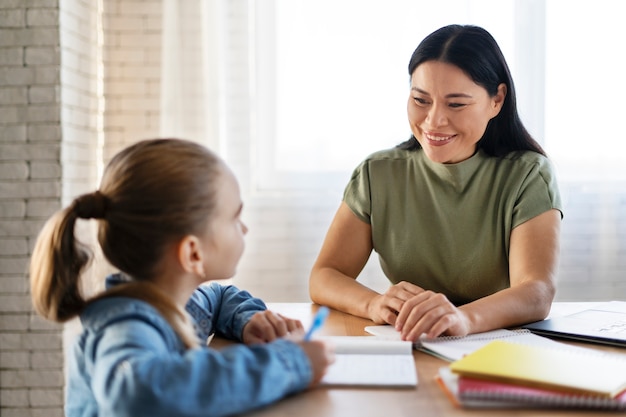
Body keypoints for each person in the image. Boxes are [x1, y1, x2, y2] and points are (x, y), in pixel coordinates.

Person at [30, 138, 334, 417]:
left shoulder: (175, 300)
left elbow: (218, 297)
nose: (244, 229)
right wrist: (289, 363)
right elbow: (138, 392)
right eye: (234, 219)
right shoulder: (126, 325)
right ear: (193, 254)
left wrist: (247, 319)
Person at [309, 24, 562, 342]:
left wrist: (463, 318)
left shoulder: (527, 175)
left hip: (499, 348)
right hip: (410, 343)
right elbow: (324, 276)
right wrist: (373, 303)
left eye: (455, 104)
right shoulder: (378, 173)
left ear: (496, 100)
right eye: (420, 99)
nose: (434, 120)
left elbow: (537, 292)